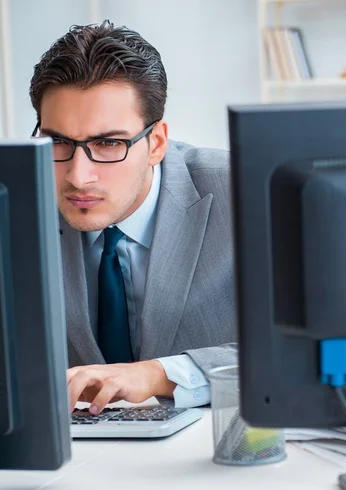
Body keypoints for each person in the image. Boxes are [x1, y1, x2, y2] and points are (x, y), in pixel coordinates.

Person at [29, 20, 237, 415]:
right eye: (57, 141)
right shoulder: (12, 204)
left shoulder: (244, 192)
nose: (77, 175)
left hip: (213, 456)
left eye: (108, 143)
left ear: (156, 143)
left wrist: (160, 374)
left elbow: (306, 347)